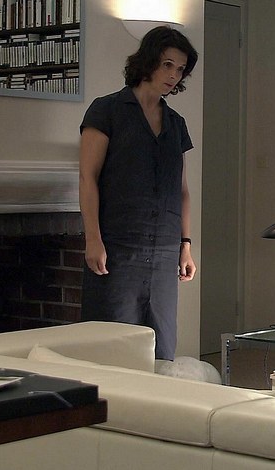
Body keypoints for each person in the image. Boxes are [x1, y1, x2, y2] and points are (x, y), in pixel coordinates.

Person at [78, 26, 198, 360]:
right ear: (148, 61)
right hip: (118, 249)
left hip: (164, 252)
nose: (173, 75)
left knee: (161, 349)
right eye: (167, 64)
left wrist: (186, 245)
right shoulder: (106, 110)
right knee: (111, 347)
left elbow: (181, 190)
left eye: (180, 69)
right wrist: (93, 239)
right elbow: (88, 178)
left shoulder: (176, 123)